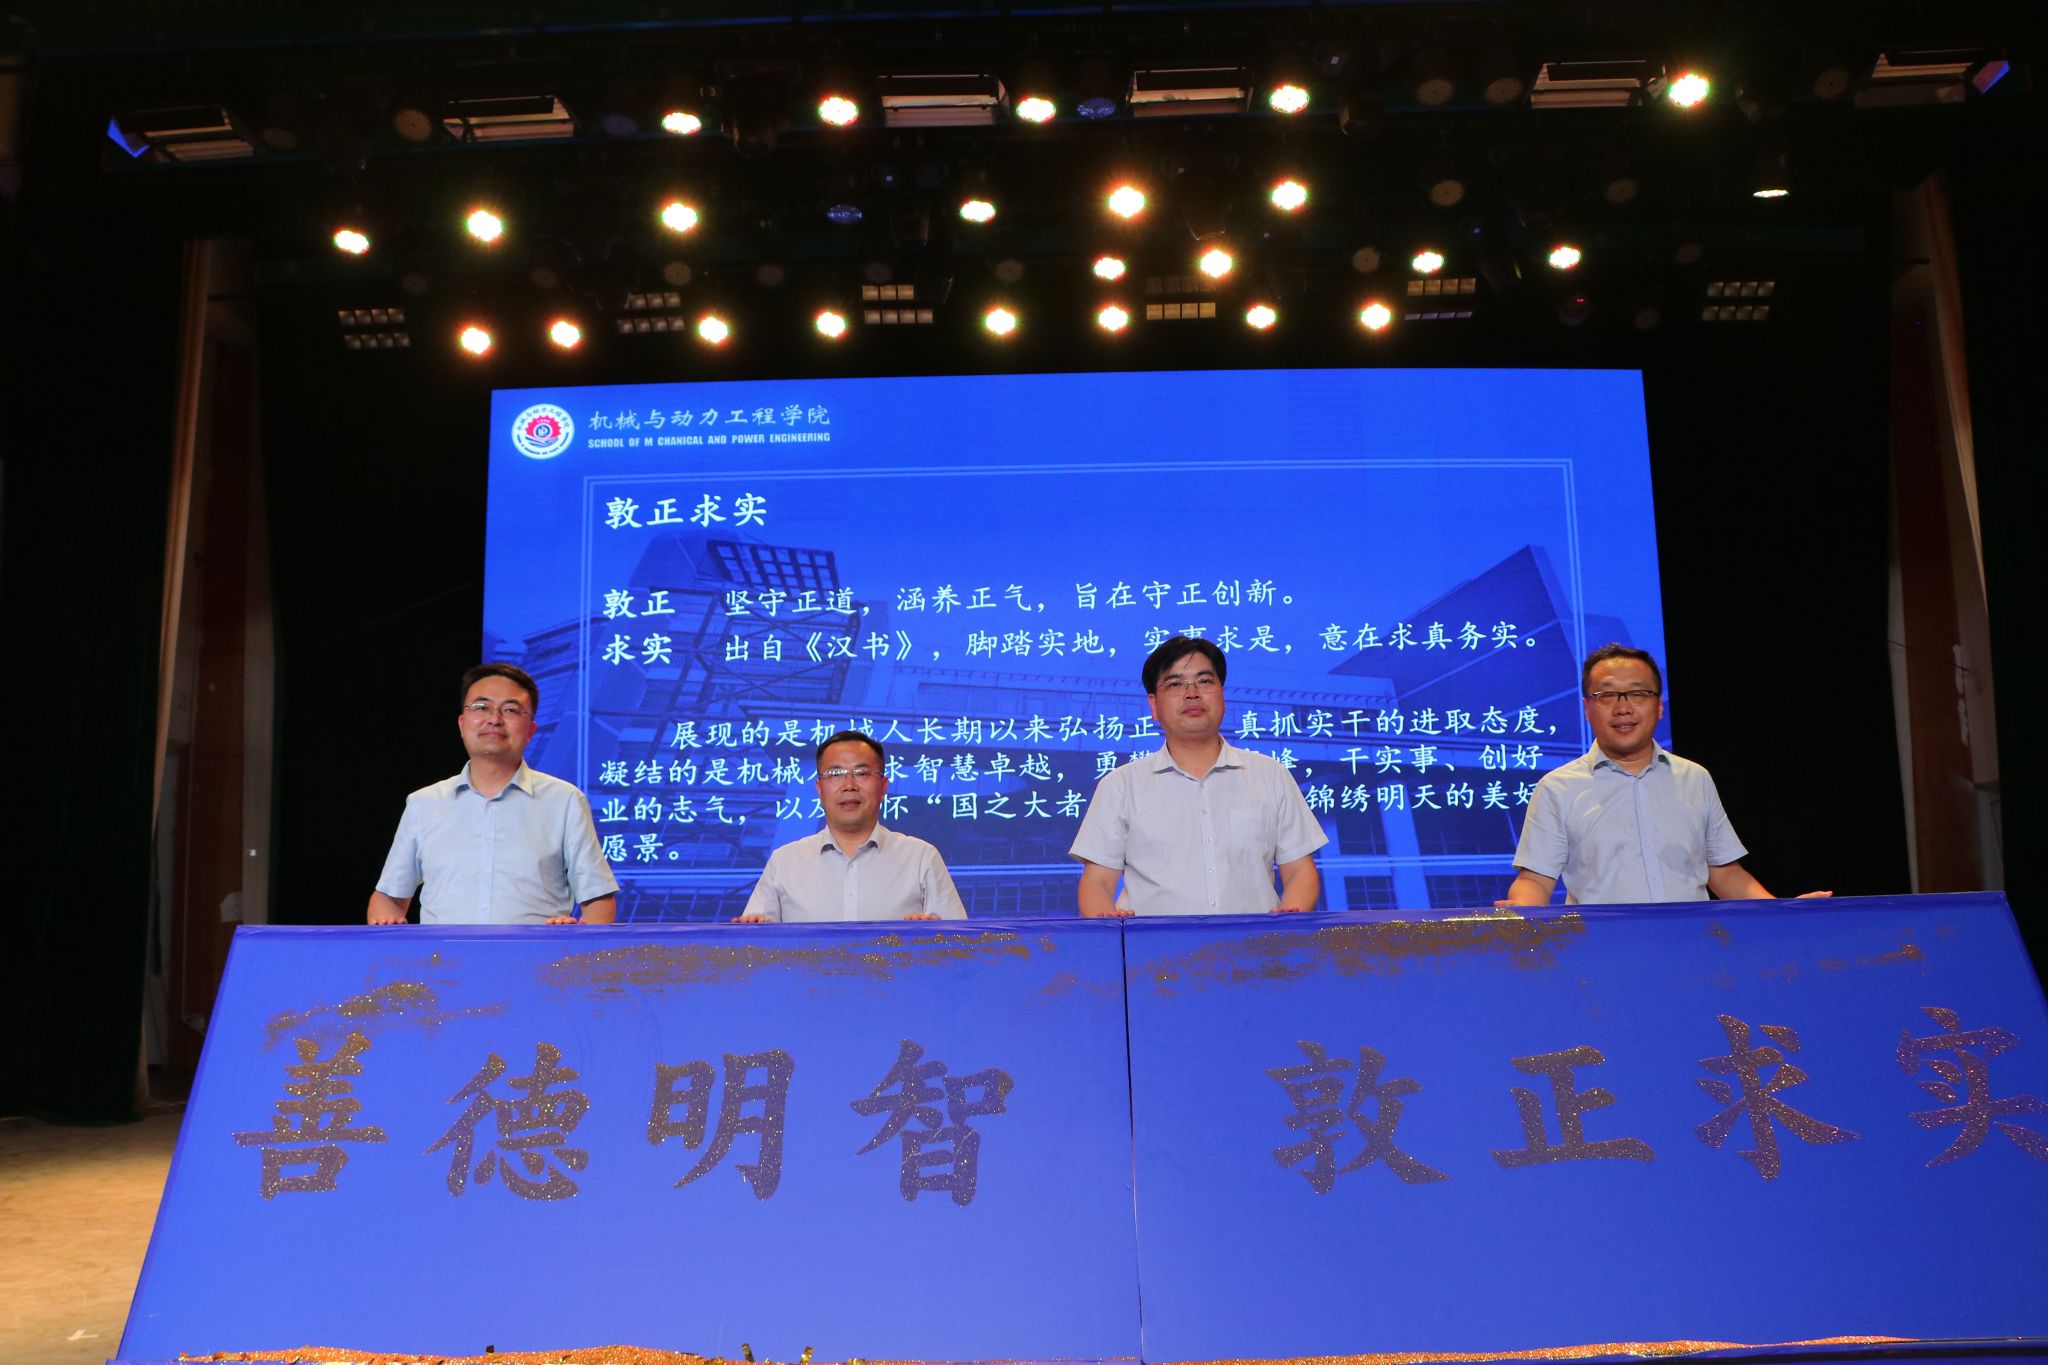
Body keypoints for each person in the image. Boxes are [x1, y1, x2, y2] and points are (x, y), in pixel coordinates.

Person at [1504, 644, 1828, 906]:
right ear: (1588, 708)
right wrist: (1519, 916)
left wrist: (1781, 913)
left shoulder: (1695, 778)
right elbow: (1536, 879)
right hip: (1604, 955)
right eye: (1607, 695)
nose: (1623, 708)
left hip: (1693, 950)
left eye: (1638, 693)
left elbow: (1724, 873)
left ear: (1659, 706)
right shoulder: (1558, 788)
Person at [1070, 635, 1328, 917]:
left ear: (1222, 695)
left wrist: (1288, 923)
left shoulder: (1271, 775)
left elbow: (1300, 872)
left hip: (1256, 944)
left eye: (1204, 681)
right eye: (1175, 684)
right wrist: (1111, 929)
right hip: (1154, 945)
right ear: (1154, 706)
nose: (1192, 693)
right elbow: (1096, 884)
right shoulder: (1120, 786)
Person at [367, 663, 618, 926]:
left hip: (538, 953)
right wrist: (387, 927)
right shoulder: (424, 803)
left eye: (510, 710)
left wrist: (575, 942)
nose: (494, 719)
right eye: (481, 707)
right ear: (462, 724)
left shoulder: (565, 800)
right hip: (442, 953)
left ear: (530, 731)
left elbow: (598, 898)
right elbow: (389, 898)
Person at [736, 730, 968, 923]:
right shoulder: (784, 861)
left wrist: (933, 935)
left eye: (862, 773)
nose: (849, 785)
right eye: (835, 774)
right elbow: (752, 945)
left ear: (883, 786)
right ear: (819, 789)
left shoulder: (920, 857)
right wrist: (751, 929)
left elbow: (961, 945)